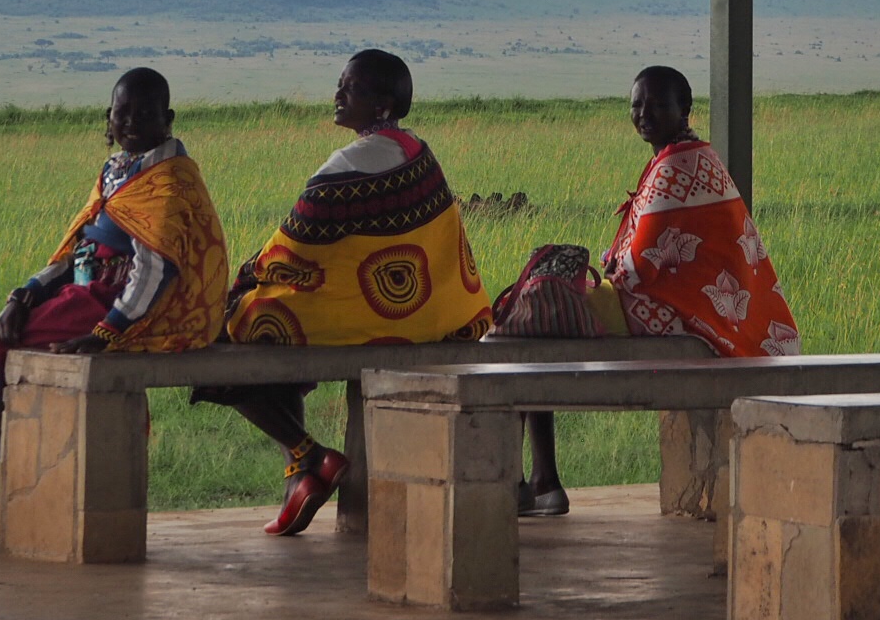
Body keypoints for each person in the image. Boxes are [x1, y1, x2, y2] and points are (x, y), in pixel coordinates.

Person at [205, 49, 492, 537]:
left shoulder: (351, 162)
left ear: (382, 104)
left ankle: (308, 456)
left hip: (380, 321)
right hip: (434, 314)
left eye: (352, 88)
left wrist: (246, 277)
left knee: (238, 325)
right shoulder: (416, 150)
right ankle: (300, 474)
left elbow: (292, 244)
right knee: (275, 316)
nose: (338, 95)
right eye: (340, 84)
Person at [0, 67, 228, 549]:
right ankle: (3, 491)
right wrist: (23, 296)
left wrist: (107, 332)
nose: (132, 122)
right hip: (85, 290)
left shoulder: (170, 180)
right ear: (108, 118)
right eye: (123, 113)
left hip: (119, 303)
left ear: (168, 119)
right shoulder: (117, 170)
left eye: (145, 113)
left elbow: (155, 270)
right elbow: (75, 251)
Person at [520, 64, 799, 516]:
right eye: (637, 104)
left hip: (672, 311)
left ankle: (541, 481)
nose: (644, 114)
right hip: (686, 306)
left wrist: (596, 276)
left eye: (657, 104)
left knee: (535, 317)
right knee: (539, 315)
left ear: (684, 109)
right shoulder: (691, 156)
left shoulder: (676, 166)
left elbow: (638, 268)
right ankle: (541, 481)